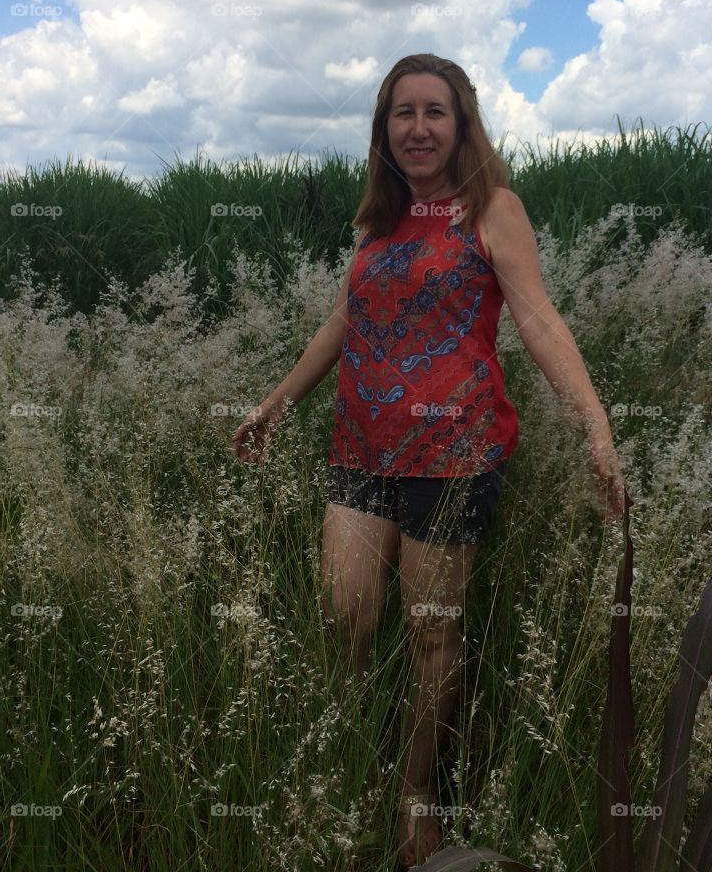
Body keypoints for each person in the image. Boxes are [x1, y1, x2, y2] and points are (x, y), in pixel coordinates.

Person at [232, 53, 626, 868]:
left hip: (454, 452)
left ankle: (417, 794)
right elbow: (343, 322)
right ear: (384, 131)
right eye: (401, 114)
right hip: (361, 445)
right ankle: (354, 761)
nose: (417, 128)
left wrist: (596, 426)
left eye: (434, 112)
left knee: (431, 634)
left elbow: (540, 321)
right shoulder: (377, 221)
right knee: (346, 616)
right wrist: (276, 403)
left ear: (462, 124)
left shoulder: (493, 209)